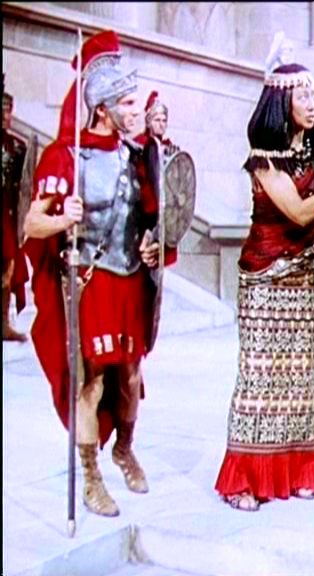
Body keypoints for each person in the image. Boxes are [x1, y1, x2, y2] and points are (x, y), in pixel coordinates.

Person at [23, 30, 174, 517]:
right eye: (127, 103)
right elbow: (32, 224)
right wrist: (62, 219)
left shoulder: (137, 156)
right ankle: (90, 477)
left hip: (129, 280)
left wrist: (154, 245)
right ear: (103, 108)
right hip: (88, 282)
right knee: (91, 382)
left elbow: (153, 218)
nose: (136, 110)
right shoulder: (65, 156)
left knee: (130, 377)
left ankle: (124, 448)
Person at [214, 63, 314, 512]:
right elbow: (300, 212)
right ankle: (244, 480)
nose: (311, 103)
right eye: (300, 95)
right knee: (261, 379)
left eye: (313, 94)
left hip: (306, 280)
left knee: (302, 380)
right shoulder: (263, 160)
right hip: (266, 280)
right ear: (280, 104)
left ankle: (300, 469)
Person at [2, 79, 30, 341]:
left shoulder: (18, 148)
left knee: (8, 269)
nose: (5, 116)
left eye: (8, 110)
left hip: (6, 215)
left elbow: (24, 187)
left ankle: (3, 322)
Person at [134, 90, 179, 158]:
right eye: (157, 120)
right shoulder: (138, 142)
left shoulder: (168, 145)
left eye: (164, 121)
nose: (161, 125)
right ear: (148, 122)